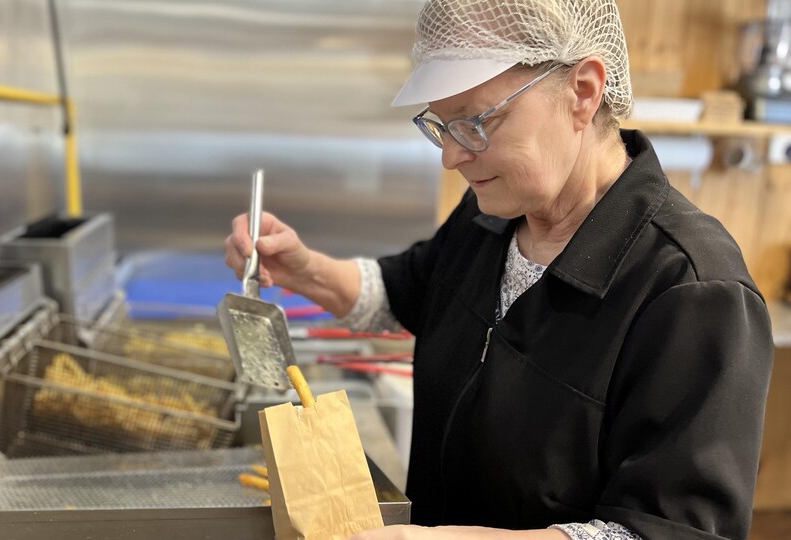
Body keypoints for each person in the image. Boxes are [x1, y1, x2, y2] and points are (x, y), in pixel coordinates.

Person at [224, 0, 774, 538]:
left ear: (582, 92)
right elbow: (408, 291)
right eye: (441, 126)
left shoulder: (692, 290)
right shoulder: (494, 215)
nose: (451, 156)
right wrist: (303, 268)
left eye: (475, 122)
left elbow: (672, 529)